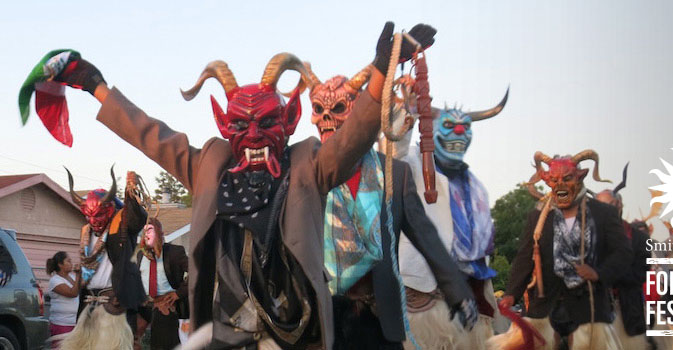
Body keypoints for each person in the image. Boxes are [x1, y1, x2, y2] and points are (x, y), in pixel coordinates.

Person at [42, 21, 436, 349]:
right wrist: (94, 84)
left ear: (289, 120)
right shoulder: (209, 165)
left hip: (298, 334)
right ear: (222, 124)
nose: (253, 135)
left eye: (265, 123)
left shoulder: (307, 164)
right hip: (229, 333)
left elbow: (353, 137)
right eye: (239, 126)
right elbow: (149, 133)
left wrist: (383, 69)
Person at [304, 65, 476, 350]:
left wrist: (458, 291)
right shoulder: (304, 172)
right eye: (319, 109)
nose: (326, 119)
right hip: (319, 320)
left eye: (338, 108)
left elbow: (425, 235)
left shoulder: (394, 174)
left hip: (378, 320)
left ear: (360, 114)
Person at [392, 90, 509, 350]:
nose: (458, 133)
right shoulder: (413, 162)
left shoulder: (475, 187)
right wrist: (408, 112)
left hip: (471, 289)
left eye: (464, 128)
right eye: (449, 126)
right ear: (431, 130)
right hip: (421, 288)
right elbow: (392, 154)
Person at [494, 150, 632, 350]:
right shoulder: (538, 216)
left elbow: (623, 253)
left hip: (589, 306)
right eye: (553, 180)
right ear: (547, 181)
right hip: (545, 306)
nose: (560, 186)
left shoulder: (603, 214)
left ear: (580, 177)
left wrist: (598, 273)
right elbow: (524, 258)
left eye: (567, 179)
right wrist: (511, 294)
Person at [58, 170, 148, 350]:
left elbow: (137, 217)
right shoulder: (86, 232)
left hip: (114, 301)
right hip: (88, 304)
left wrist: (131, 192)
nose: (93, 220)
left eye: (98, 215)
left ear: (109, 210)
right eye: (89, 215)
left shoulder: (120, 225)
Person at [595, 164, 650, 350]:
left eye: (606, 207)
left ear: (618, 205)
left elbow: (641, 273)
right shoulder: (589, 237)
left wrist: (607, 274)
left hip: (627, 310)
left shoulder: (640, 238)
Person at [132, 218, 188, 350]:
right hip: (145, 304)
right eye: (144, 231)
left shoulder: (174, 252)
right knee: (130, 336)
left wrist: (178, 294)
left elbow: (195, 271)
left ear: (160, 233)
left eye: (150, 230)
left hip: (166, 303)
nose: (146, 234)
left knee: (161, 344)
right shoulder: (141, 255)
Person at [46, 251, 81, 346]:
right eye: (68, 261)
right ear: (60, 264)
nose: (71, 263)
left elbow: (82, 287)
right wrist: (78, 275)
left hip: (75, 322)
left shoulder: (72, 277)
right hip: (62, 323)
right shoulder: (55, 280)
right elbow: (73, 293)